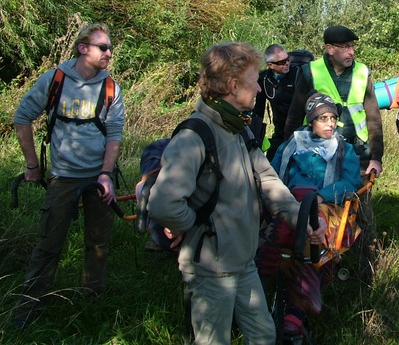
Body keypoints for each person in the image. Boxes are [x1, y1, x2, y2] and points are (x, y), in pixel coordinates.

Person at [147, 42, 326, 345]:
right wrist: (197, 227)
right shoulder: (195, 135)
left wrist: (302, 219)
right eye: (254, 80)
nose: (258, 88)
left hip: (244, 263)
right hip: (211, 267)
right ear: (232, 85)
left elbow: (267, 179)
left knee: (264, 335)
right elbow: (164, 203)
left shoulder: (238, 128)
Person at [13, 23, 125, 329]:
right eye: (103, 47)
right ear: (83, 48)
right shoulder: (56, 80)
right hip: (63, 177)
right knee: (49, 243)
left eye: (110, 47)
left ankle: (91, 304)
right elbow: (22, 118)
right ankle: (29, 307)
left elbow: (114, 134)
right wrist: (32, 166)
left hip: (98, 178)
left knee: (99, 242)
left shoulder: (111, 87)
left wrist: (105, 174)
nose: (108, 53)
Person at [256, 92, 361, 337]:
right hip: (289, 200)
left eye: (333, 118)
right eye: (323, 118)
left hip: (323, 204)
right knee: (272, 216)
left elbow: (350, 182)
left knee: (311, 232)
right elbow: (272, 174)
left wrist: (322, 195)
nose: (330, 124)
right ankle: (258, 283)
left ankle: (297, 308)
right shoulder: (292, 144)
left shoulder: (343, 149)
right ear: (311, 121)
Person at [283, 25, 383, 274]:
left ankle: (362, 267)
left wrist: (377, 157)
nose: (351, 52)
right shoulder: (310, 72)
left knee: (357, 209)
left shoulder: (361, 71)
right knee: (321, 208)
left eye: (353, 47)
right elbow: (295, 113)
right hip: (319, 154)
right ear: (329, 49)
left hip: (357, 153)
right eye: (345, 47)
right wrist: (287, 149)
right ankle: (315, 262)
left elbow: (373, 115)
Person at [253, 44, 300, 160]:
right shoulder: (264, 79)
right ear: (271, 65)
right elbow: (259, 109)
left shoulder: (298, 75)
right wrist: (255, 136)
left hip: (300, 131)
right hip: (279, 130)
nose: (287, 63)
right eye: (282, 62)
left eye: (288, 59)